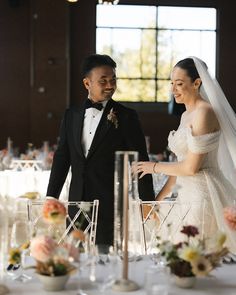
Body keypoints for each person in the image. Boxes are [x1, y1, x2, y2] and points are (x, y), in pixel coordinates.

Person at [47, 54, 154, 246]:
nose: (110, 86)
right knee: (75, 256)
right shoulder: (71, 115)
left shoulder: (127, 116)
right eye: (103, 81)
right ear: (87, 83)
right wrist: (51, 196)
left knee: (106, 258)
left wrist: (148, 202)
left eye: (113, 80)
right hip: (76, 202)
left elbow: (140, 161)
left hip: (109, 204)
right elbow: (62, 157)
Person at [136, 57, 236, 253]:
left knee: (199, 252)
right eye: (171, 83)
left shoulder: (204, 112)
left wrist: (152, 167)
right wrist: (157, 201)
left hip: (202, 194)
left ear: (197, 83)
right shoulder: (185, 115)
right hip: (183, 194)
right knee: (180, 254)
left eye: (179, 84)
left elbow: (191, 167)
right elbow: (179, 166)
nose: (173, 89)